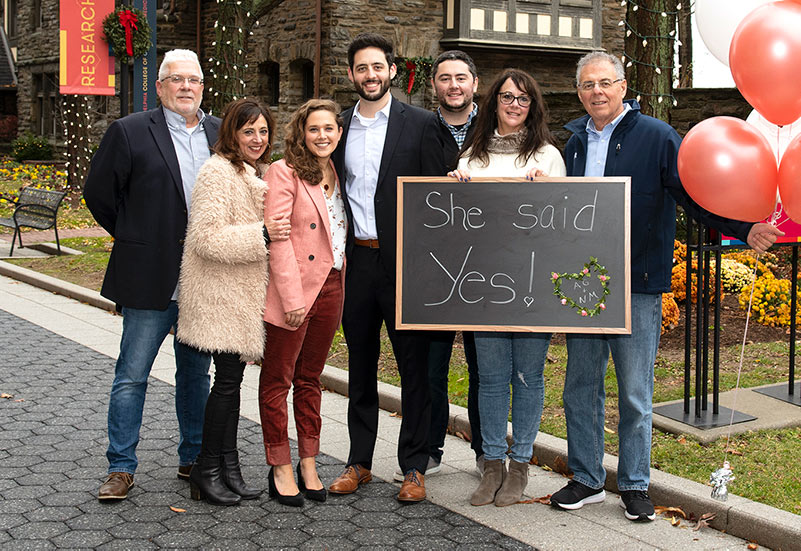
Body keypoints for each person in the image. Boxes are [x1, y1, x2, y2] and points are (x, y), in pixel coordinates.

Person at [550, 51, 783, 521]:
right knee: (580, 386)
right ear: (579, 92)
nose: (597, 91)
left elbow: (692, 194)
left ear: (623, 85)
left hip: (636, 282)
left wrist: (742, 227)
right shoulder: (570, 143)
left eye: (605, 83)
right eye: (588, 85)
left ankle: (635, 484)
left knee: (635, 392)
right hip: (583, 285)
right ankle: (587, 478)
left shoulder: (657, 137)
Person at [84, 49, 219, 501]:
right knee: (132, 374)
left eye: (193, 80)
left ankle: (194, 458)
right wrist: (134, 237)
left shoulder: (220, 133)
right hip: (148, 278)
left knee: (196, 376)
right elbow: (99, 193)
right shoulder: (129, 131)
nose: (186, 87)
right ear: (159, 87)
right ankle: (121, 466)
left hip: (203, 280)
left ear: (203, 86)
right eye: (176, 79)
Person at [327, 32, 445, 503]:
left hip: (406, 264)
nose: (370, 75)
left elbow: (441, 197)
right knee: (360, 365)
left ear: (393, 71)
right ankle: (359, 461)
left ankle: (414, 466)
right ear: (351, 74)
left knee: (414, 366)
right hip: (357, 261)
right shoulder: (335, 127)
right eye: (361, 68)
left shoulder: (421, 124)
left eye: (378, 67)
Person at [449, 68, 566, 507]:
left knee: (528, 376)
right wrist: (454, 188)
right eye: (506, 97)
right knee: (493, 379)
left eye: (523, 98)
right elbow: (455, 223)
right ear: (493, 101)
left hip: (533, 282)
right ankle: (492, 463)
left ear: (533, 106)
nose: (514, 104)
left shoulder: (549, 156)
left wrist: (548, 190)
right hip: (485, 283)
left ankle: (520, 465)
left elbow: (565, 224)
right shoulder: (472, 158)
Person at [176, 98, 279, 506]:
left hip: (240, 296)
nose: (257, 138)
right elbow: (205, 237)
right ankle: (205, 468)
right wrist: (263, 235)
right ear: (232, 134)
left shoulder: (255, 172)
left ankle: (228, 466)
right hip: (219, 294)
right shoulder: (216, 172)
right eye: (248, 130)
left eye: (263, 131)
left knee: (230, 384)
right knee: (226, 384)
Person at [393, 49, 483, 483]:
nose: (453, 85)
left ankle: (487, 450)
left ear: (474, 84)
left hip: (491, 267)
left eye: (461, 78)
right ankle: (430, 447)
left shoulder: (497, 127)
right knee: (431, 366)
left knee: (485, 364)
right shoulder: (418, 130)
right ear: (434, 86)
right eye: (445, 78)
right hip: (435, 267)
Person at [259, 99, 347, 507]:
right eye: (314, 129)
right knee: (278, 380)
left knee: (311, 379)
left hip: (333, 286)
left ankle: (308, 461)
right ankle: (279, 464)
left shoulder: (337, 172)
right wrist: (291, 297)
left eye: (329, 128)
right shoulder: (284, 171)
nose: (322, 136)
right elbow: (278, 238)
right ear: (302, 132)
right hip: (295, 291)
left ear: (339, 133)